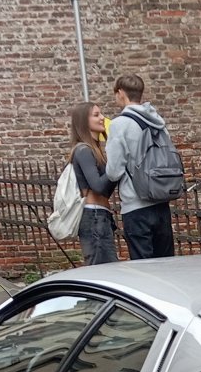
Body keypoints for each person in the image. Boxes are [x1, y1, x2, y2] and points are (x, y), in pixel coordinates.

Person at [104, 74, 173, 259]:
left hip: (136, 205)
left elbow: (114, 171)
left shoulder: (119, 124)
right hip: (161, 201)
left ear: (120, 93)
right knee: (168, 266)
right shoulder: (158, 122)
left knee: (144, 269)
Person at [67, 102, 117, 265]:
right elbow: (98, 186)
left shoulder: (94, 150)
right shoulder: (83, 150)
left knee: (108, 268)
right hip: (94, 217)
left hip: (101, 215)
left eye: (101, 114)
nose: (102, 118)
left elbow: (105, 191)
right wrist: (115, 165)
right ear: (83, 121)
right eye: (96, 115)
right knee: (101, 270)